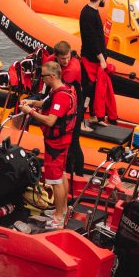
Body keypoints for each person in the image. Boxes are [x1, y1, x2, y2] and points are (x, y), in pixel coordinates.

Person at [18, 61, 77, 229]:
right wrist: (31, 103)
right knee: (61, 174)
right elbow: (46, 104)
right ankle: (63, 209)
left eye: (43, 76)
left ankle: (58, 217)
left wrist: (30, 112)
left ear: (52, 76)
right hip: (62, 141)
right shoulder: (60, 90)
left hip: (56, 144)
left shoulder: (61, 96)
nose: (41, 79)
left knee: (55, 179)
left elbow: (51, 121)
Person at [79, 0, 110, 128]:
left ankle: (93, 117)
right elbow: (91, 39)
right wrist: (101, 58)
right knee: (86, 90)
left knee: (95, 90)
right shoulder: (87, 14)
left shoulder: (93, 11)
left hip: (95, 60)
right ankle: (80, 121)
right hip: (90, 60)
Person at [53, 40, 84, 177]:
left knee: (74, 141)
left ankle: (78, 173)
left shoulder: (72, 69)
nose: (65, 61)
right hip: (68, 100)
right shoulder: (53, 60)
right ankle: (66, 170)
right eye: (62, 59)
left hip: (75, 104)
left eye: (67, 58)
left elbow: (61, 92)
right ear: (56, 57)